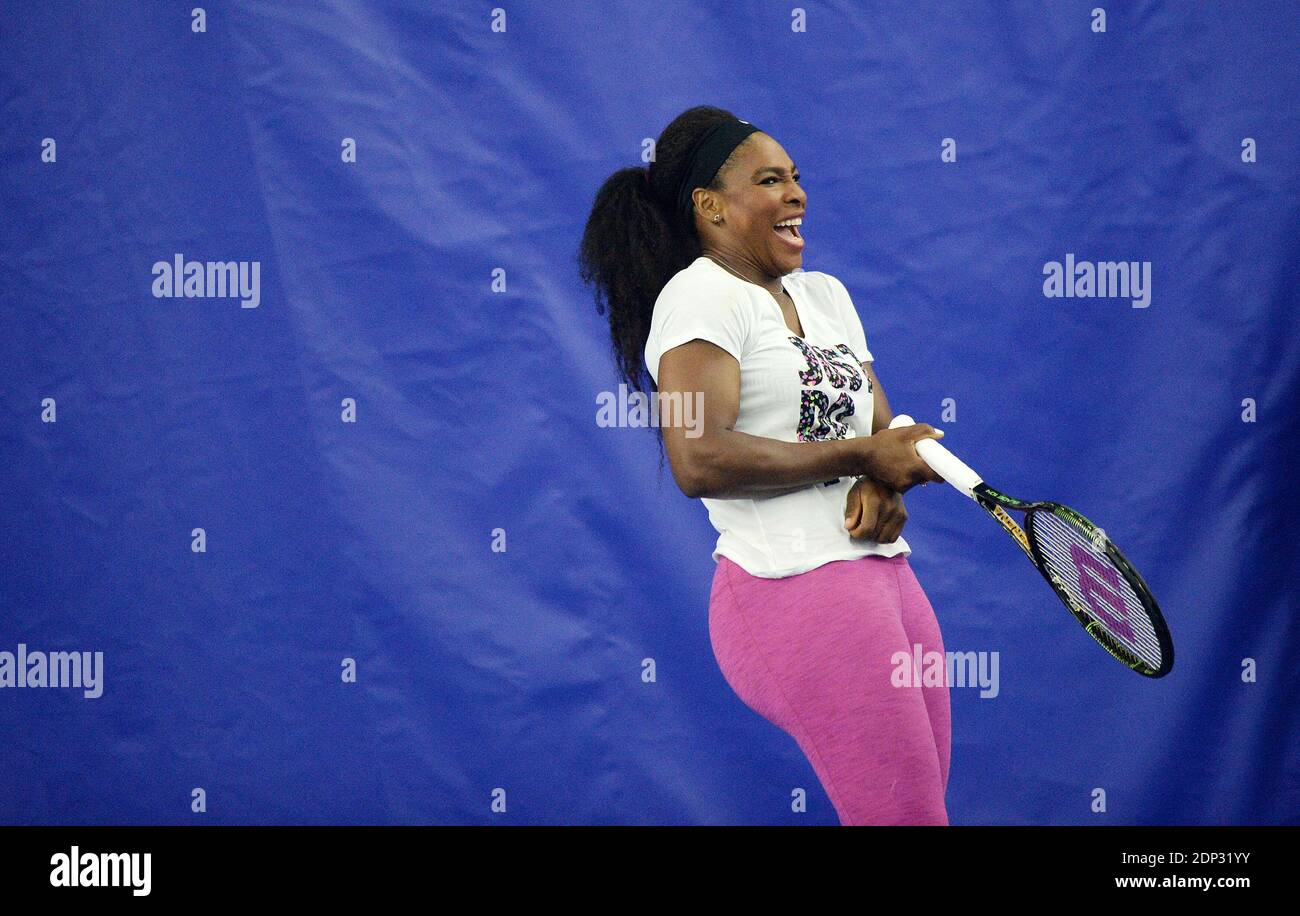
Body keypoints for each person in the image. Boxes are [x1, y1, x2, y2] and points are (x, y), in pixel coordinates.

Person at [578, 105, 951, 825]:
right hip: (793, 593)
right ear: (710, 206)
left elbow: (879, 427)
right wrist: (861, 457)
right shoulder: (697, 299)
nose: (796, 195)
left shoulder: (826, 295)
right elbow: (697, 457)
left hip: (888, 579)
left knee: (922, 811)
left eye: (797, 179)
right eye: (770, 180)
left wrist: (881, 476)